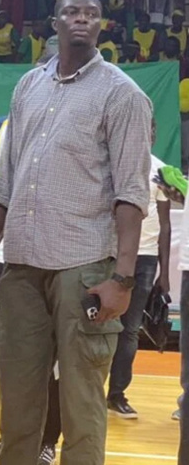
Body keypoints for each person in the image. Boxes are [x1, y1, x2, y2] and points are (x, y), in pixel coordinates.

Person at [0, 0, 152, 465]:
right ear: (55, 21)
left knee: (81, 398)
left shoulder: (121, 94)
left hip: (85, 264)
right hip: (23, 264)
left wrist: (123, 278)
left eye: (92, 13)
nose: (81, 19)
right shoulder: (29, 86)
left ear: (101, 26)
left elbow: (131, 193)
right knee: (16, 394)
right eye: (72, 11)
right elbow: (5, 179)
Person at [107, 120, 171, 419]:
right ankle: (90, 388)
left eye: (150, 132)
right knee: (99, 324)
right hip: (111, 254)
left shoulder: (161, 171)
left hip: (145, 260)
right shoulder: (114, 164)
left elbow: (166, 225)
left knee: (130, 329)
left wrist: (165, 273)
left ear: (153, 136)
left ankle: (117, 394)